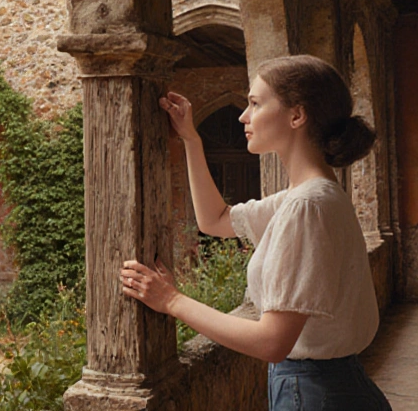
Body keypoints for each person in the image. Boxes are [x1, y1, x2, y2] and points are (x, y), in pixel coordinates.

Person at [121, 55, 390, 410]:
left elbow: (272, 342)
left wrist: (171, 300)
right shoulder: (310, 196)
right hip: (331, 387)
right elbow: (215, 220)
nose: (243, 116)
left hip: (315, 394)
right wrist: (191, 140)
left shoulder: (306, 206)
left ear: (297, 115)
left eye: (255, 103)